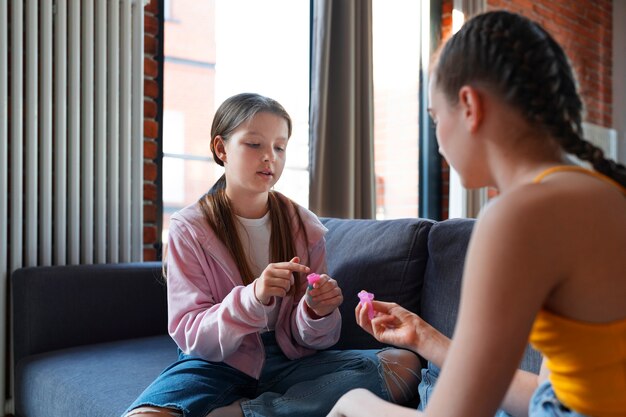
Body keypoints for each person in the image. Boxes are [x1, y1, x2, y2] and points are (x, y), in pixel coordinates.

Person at [328, 10, 626, 417]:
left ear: (468, 105)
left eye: (434, 117)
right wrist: (425, 338)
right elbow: (552, 397)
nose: (437, 141)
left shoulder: (520, 215)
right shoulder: (605, 193)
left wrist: (353, 402)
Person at [123, 92, 421, 417]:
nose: (270, 157)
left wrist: (316, 311)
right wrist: (254, 296)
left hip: (291, 361)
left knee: (403, 365)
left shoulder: (304, 226)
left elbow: (313, 340)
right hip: (216, 363)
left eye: (279, 147)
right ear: (221, 148)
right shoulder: (189, 229)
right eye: (254, 145)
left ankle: (248, 412)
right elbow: (193, 337)